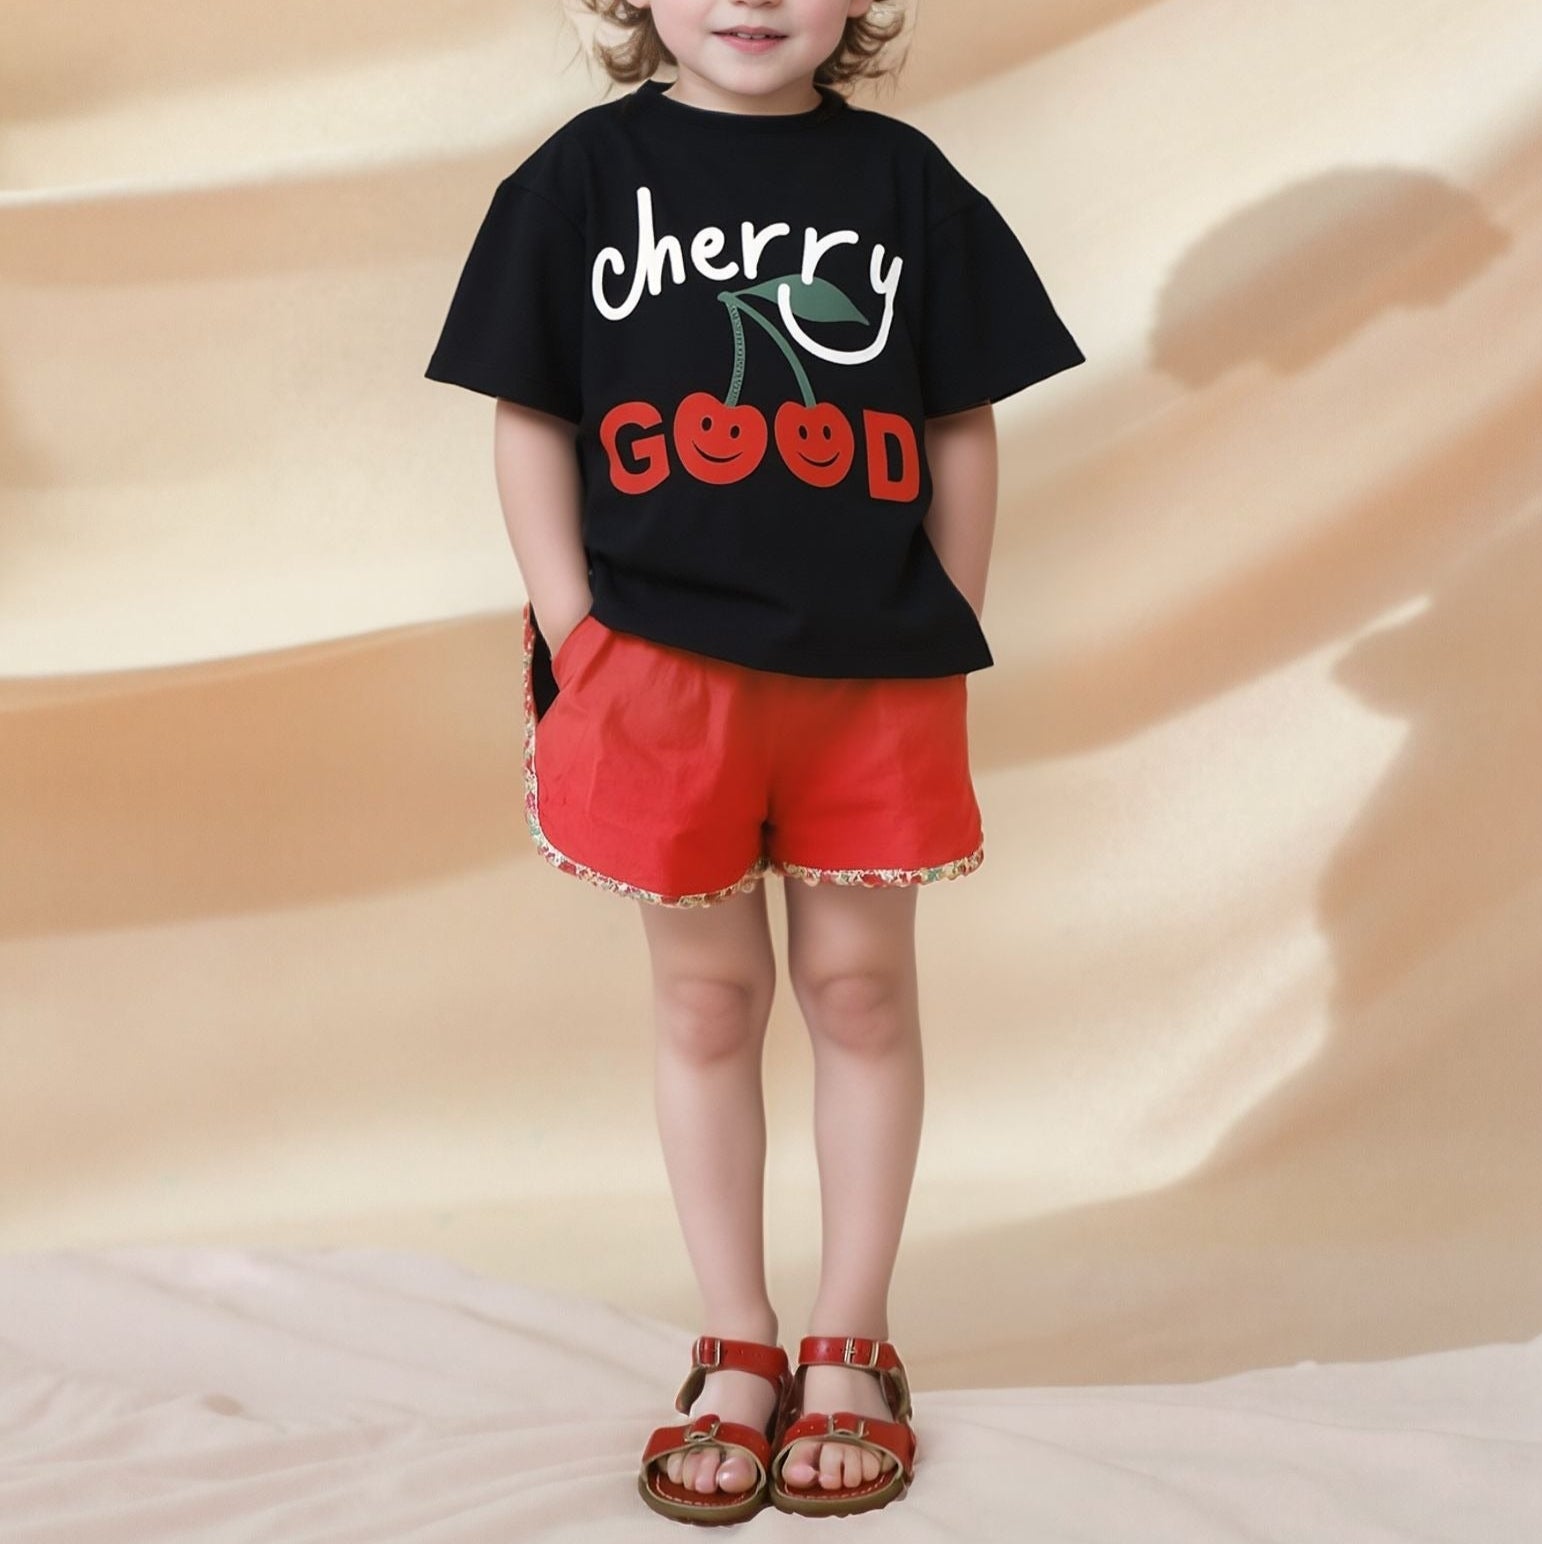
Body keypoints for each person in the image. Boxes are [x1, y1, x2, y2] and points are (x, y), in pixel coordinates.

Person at [424, 0, 1085, 1522]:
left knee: (860, 991)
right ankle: (737, 1340)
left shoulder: (907, 186)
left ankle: (853, 1341)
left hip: (872, 674)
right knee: (709, 1000)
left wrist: (949, 617)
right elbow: (531, 416)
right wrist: (580, 635)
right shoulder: (580, 180)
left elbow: (960, 420)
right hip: (659, 668)